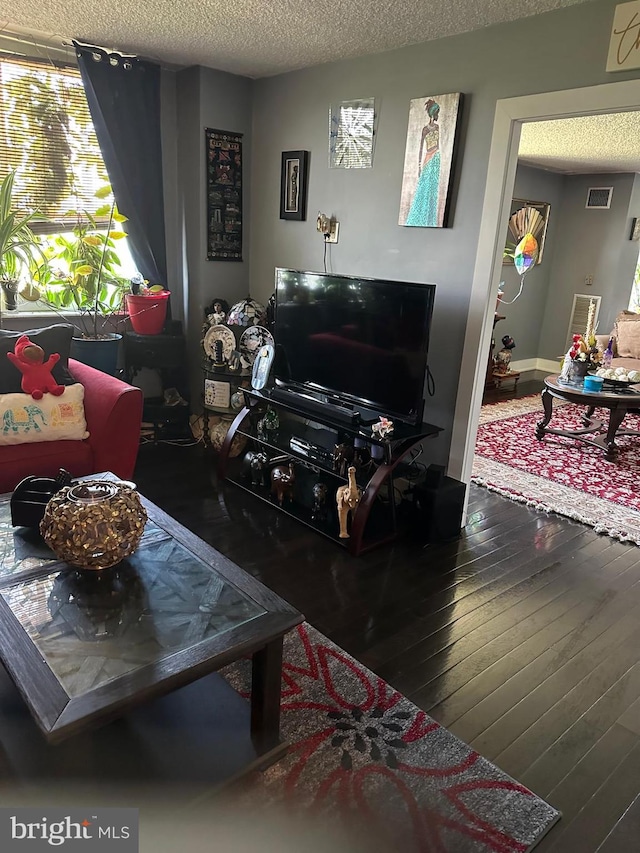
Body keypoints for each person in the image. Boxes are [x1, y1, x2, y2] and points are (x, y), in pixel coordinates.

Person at [405, 98, 441, 227]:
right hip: (428, 157)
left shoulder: (437, 127)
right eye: (436, 112)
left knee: (433, 189)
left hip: (436, 157)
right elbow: (420, 148)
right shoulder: (425, 130)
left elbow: (438, 144)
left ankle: (430, 219)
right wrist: (419, 166)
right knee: (424, 188)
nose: (437, 115)